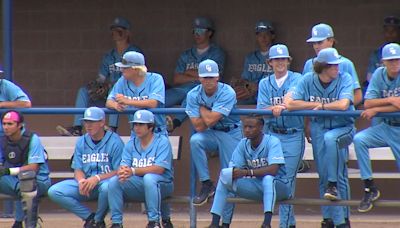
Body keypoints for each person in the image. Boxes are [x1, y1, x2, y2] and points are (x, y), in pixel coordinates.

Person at [287, 48, 355, 228]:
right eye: (334, 65)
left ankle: (343, 220)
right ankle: (329, 218)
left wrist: (323, 107)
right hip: (319, 128)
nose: (338, 68)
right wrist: (316, 105)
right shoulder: (309, 79)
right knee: (323, 175)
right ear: (323, 67)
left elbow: (342, 105)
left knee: (338, 175)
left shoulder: (344, 78)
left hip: (342, 127)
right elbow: (291, 103)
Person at [57, 17, 143, 136]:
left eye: (119, 29)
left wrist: (112, 87)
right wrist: (98, 86)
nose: (115, 32)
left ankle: (112, 129)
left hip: (129, 92)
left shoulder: (134, 53)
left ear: (127, 32)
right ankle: (77, 128)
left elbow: (139, 75)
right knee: (84, 91)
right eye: (113, 30)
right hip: (111, 92)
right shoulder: (109, 56)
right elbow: (101, 78)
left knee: (115, 90)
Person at [186, 59, 242, 226]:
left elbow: (209, 120)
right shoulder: (193, 94)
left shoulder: (227, 92)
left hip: (231, 131)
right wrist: (208, 116)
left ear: (218, 77)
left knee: (228, 177)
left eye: (212, 77)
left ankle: (223, 223)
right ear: (200, 78)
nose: (209, 81)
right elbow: (199, 126)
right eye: (205, 77)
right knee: (195, 140)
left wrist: (202, 109)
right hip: (211, 133)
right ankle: (206, 183)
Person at [48, 107, 124, 228]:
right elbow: (78, 168)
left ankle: (98, 220)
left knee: (107, 187)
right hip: (87, 184)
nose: (88, 125)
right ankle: (90, 218)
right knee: (55, 191)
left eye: (92, 122)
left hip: (106, 184)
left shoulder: (115, 141)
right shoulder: (81, 141)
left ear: (102, 122)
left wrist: (97, 178)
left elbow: (119, 171)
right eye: (86, 122)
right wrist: (81, 181)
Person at [208, 115, 289, 228]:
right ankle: (215, 223)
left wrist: (247, 172)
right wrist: (234, 172)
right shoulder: (243, 143)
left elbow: (273, 169)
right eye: (245, 127)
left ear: (261, 127)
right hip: (257, 187)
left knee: (268, 179)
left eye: (251, 127)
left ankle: (266, 223)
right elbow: (234, 168)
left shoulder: (272, 141)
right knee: (225, 177)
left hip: (280, 188)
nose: (247, 130)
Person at [257, 44, 304, 228]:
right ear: (270, 62)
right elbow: (262, 110)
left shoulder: (297, 78)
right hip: (272, 135)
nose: (280, 62)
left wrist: (282, 107)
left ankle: (285, 224)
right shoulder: (264, 83)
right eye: (276, 59)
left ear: (288, 61)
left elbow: (292, 102)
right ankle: (290, 222)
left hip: (293, 135)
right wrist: (276, 109)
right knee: (274, 179)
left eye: (283, 59)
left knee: (288, 180)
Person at [353, 43, 400, 213]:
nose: (395, 63)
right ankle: (369, 187)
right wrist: (390, 101)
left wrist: (378, 108)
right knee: (360, 139)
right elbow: (367, 102)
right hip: (386, 127)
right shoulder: (379, 74)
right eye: (391, 60)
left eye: (397, 59)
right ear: (383, 62)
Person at [108, 110, 174, 228]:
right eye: (135, 124)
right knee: (114, 181)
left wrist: (133, 171)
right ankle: (116, 223)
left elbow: (159, 169)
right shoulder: (131, 143)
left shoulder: (162, 142)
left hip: (163, 184)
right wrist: (123, 172)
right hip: (139, 184)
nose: (137, 128)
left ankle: (154, 222)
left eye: (141, 124)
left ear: (150, 127)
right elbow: (124, 166)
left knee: (149, 179)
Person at [165, 16, 225, 132]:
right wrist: (199, 76)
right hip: (182, 89)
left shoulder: (216, 53)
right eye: (195, 31)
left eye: (201, 31)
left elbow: (215, 78)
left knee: (191, 96)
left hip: (201, 91)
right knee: (161, 100)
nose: (197, 34)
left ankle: (175, 122)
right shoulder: (186, 54)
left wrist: (188, 74)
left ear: (210, 33)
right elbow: (177, 78)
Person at [0, 110, 51, 228]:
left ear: (20, 125)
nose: (6, 127)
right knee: (21, 185)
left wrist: (8, 171)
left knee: (26, 183)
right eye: (4, 124)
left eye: (10, 124)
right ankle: (20, 222)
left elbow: (33, 168)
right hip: (14, 181)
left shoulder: (32, 139)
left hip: (38, 180)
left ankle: (30, 224)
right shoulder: (2, 141)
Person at [106, 51, 167, 136]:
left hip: (157, 131)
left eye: (125, 67)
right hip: (136, 132)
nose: (121, 69)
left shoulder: (155, 78)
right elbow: (108, 102)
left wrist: (127, 101)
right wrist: (116, 105)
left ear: (136, 69)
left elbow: (153, 103)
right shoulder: (122, 81)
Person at [0, 66, 32, 218]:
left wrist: (2, 104)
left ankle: (20, 220)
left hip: (10, 140)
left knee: (21, 177)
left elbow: (26, 103)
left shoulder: (5, 85)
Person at [232, 20, 275, 105]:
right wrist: (241, 83)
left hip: (270, 95)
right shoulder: (250, 57)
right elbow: (245, 79)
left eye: (266, 34)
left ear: (272, 36)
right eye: (260, 34)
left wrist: (258, 87)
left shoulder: (278, 57)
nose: (263, 37)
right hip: (250, 95)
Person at [364, 16, 400, 93]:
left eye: (393, 31)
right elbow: (370, 78)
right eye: (387, 31)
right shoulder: (377, 54)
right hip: (381, 92)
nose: (390, 34)